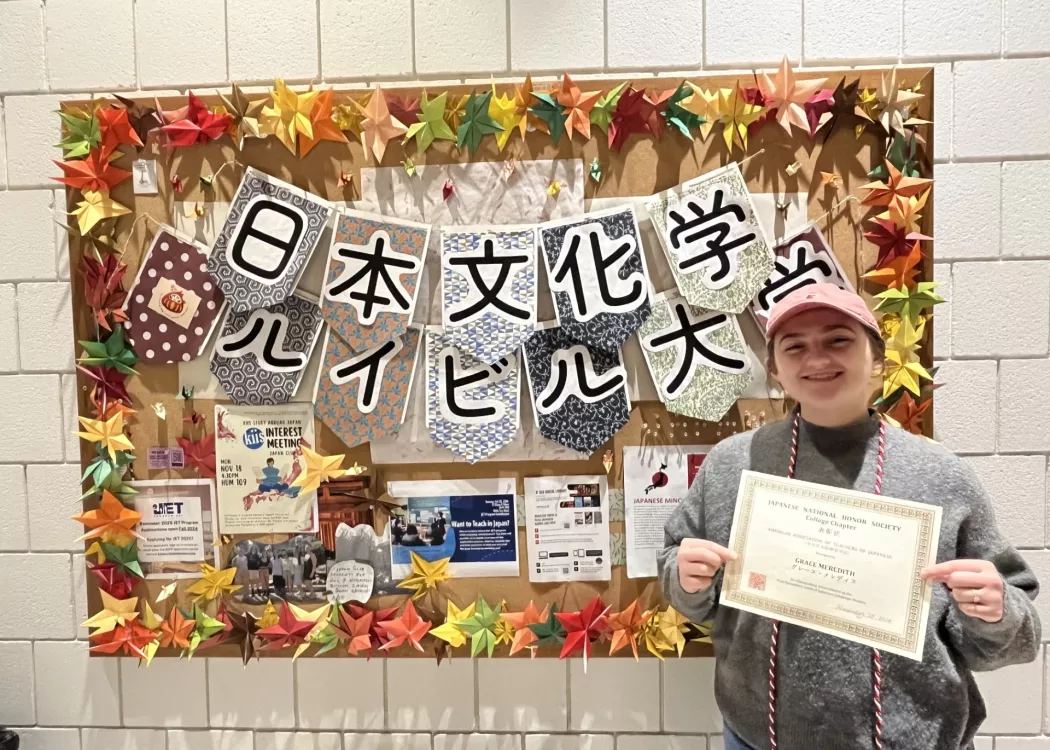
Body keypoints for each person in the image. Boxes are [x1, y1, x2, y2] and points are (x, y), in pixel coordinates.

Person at [658, 283, 1040, 750]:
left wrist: (995, 610)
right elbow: (683, 583)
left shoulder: (941, 475)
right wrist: (686, 578)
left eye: (838, 340)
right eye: (795, 346)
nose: (816, 359)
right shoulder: (732, 464)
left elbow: (1018, 632)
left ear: (877, 361)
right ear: (776, 369)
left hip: (914, 739)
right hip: (759, 737)